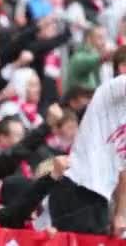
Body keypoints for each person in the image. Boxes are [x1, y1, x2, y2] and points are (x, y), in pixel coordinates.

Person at [50, 75, 126, 236]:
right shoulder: (111, 93)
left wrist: (120, 214)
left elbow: (123, 170)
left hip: (100, 198)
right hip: (77, 186)